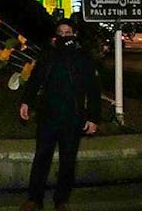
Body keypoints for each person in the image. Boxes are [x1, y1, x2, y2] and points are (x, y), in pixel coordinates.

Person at [18, 19, 101, 211]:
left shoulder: (83, 58)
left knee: (68, 161)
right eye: (61, 32)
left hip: (73, 118)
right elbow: (35, 80)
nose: (64, 36)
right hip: (48, 116)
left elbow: (93, 90)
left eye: (68, 32)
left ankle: (62, 200)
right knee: (41, 158)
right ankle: (34, 199)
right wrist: (26, 102)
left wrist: (94, 117)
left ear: (74, 34)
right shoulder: (48, 56)